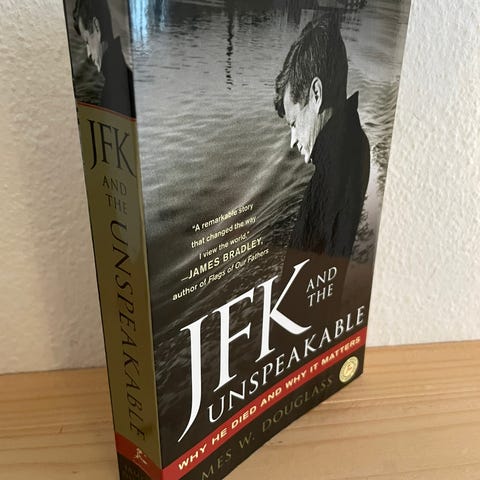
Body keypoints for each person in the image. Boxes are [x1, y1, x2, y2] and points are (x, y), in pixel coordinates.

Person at [273, 15, 371, 325]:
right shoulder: (358, 142)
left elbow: (295, 309)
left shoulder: (326, 181)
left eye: (294, 123)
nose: (293, 140)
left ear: (316, 94)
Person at [73, 0, 136, 117]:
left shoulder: (113, 88)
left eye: (87, 41)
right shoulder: (124, 75)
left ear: (96, 27)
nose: (88, 53)